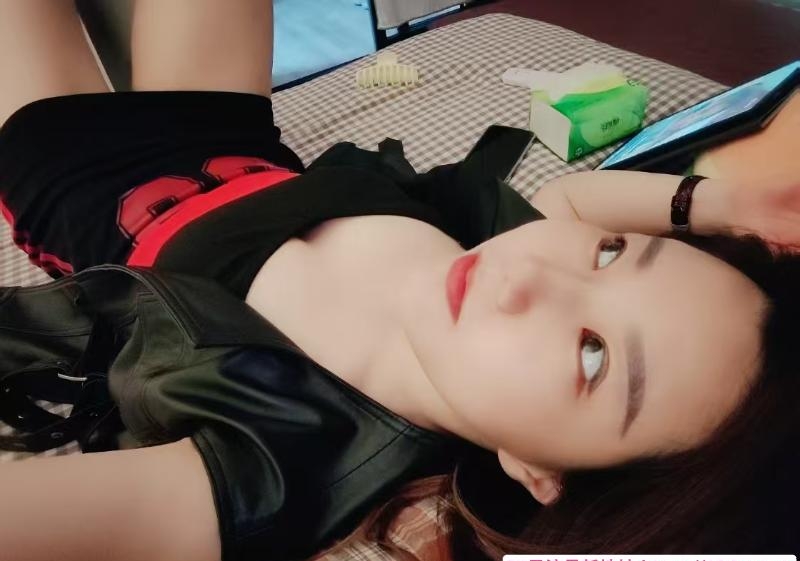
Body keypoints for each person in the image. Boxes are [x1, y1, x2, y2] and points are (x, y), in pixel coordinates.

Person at [0, 2, 798, 561]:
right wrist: (718, 203)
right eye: (614, 256)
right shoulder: (492, 261)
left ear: (542, 475)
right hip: (229, 128)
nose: (528, 274)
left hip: (76, 179)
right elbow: (570, 203)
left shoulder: (286, 463)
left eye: (592, 355)